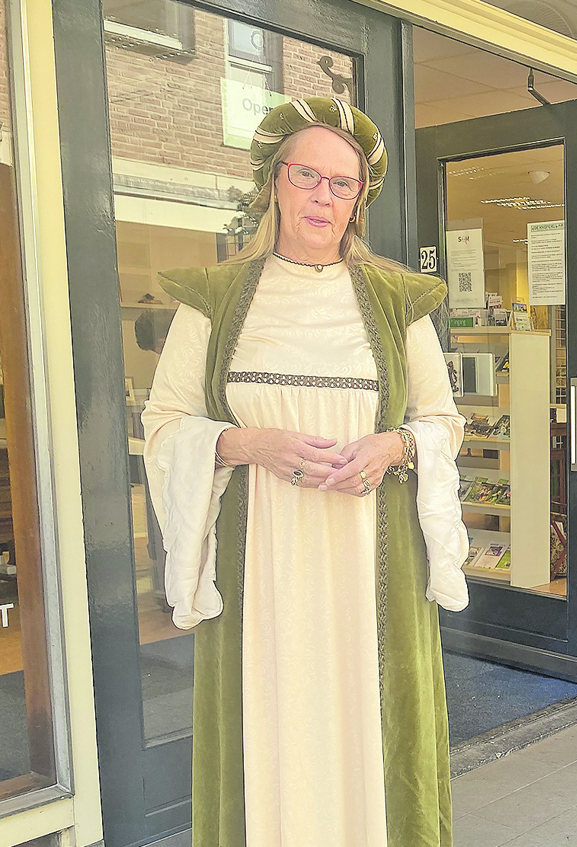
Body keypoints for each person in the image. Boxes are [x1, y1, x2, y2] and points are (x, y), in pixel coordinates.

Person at [142, 98, 468, 847]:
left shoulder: (398, 301)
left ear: (361, 198)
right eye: (307, 176)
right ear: (274, 184)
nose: (323, 196)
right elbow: (164, 426)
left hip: (371, 564)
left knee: (369, 724)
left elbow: (443, 421)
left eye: (342, 183)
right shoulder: (215, 298)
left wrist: (394, 447)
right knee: (274, 725)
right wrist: (248, 443)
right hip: (263, 576)